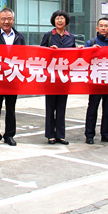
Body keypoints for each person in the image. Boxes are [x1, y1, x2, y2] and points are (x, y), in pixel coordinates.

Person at [0, 7, 25, 147]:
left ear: (13, 20)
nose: (6, 22)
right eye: (3, 19)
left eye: (9, 19)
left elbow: (23, 57)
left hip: (13, 78)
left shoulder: (19, 37)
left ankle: (9, 135)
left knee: (11, 109)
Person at [41, 10, 76, 145]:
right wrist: (50, 51)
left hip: (64, 77)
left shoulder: (71, 37)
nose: (59, 20)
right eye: (57, 18)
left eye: (62, 18)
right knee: (50, 107)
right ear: (53, 21)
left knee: (62, 107)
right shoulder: (48, 36)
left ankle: (61, 135)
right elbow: (40, 53)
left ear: (66, 21)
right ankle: (50, 135)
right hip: (51, 76)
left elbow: (75, 56)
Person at [84, 17, 108, 144]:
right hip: (95, 81)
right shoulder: (91, 42)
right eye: (101, 26)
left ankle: (105, 134)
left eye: (106, 26)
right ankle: (89, 135)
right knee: (92, 109)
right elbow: (83, 59)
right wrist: (91, 51)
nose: (103, 28)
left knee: (107, 109)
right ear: (97, 28)